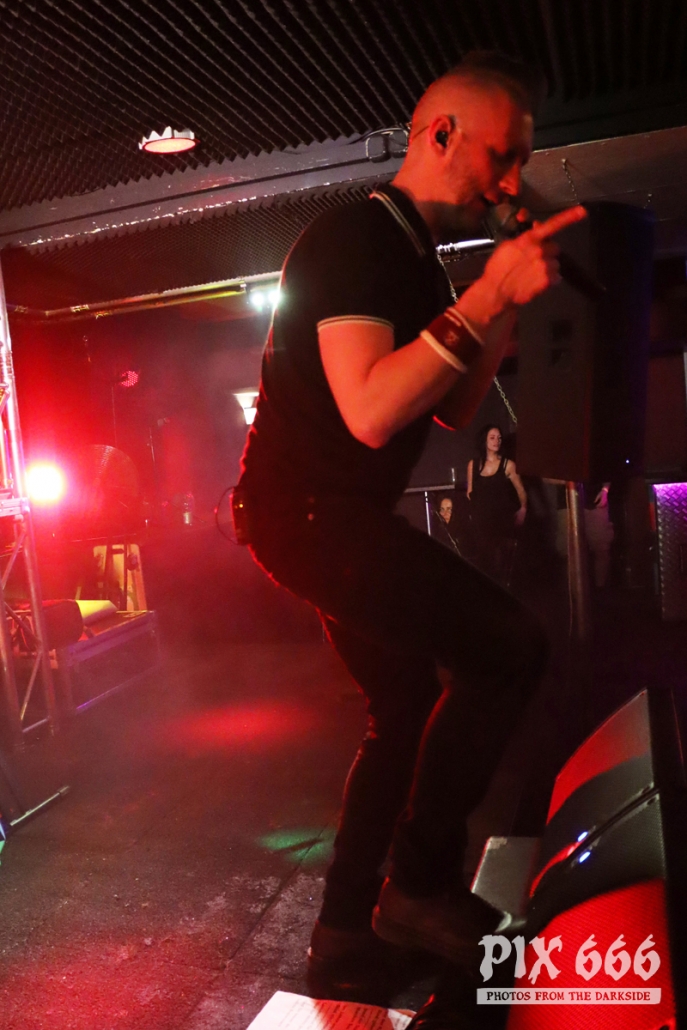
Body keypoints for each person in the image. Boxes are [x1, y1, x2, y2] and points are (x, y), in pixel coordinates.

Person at [235, 50, 586, 1000]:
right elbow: (371, 410)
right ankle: (420, 887)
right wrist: (486, 294)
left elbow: (456, 406)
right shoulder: (355, 238)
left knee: (400, 708)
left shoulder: (415, 262)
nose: (511, 182)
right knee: (506, 649)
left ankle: (342, 936)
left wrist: (502, 305)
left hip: (328, 515)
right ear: (439, 135)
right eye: (502, 157)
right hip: (307, 514)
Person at [467, 424, 526, 584]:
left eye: (499, 438)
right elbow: (470, 491)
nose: (496, 441)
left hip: (501, 520)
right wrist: (475, 513)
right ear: (484, 440)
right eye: (492, 438)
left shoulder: (508, 465)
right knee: (483, 561)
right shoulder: (474, 464)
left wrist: (523, 509)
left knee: (499, 561)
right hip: (481, 521)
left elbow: (521, 490)